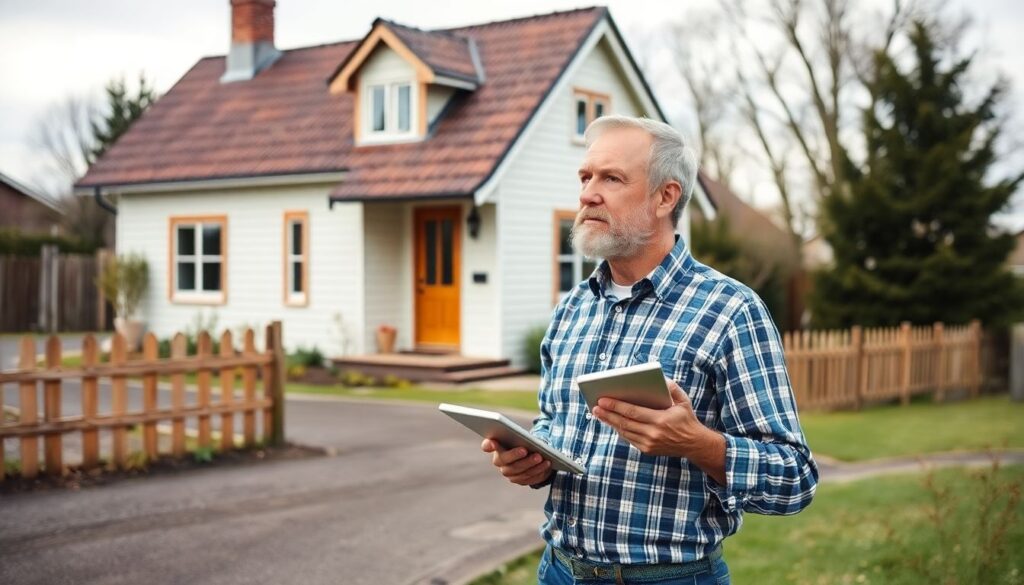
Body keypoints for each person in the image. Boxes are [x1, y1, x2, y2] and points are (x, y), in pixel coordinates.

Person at [481, 115, 818, 584]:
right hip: (559, 571)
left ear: (666, 197)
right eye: (585, 177)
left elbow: (795, 479)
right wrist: (533, 462)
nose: (587, 194)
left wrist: (700, 445)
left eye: (611, 178)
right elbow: (554, 426)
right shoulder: (571, 311)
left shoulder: (731, 311)